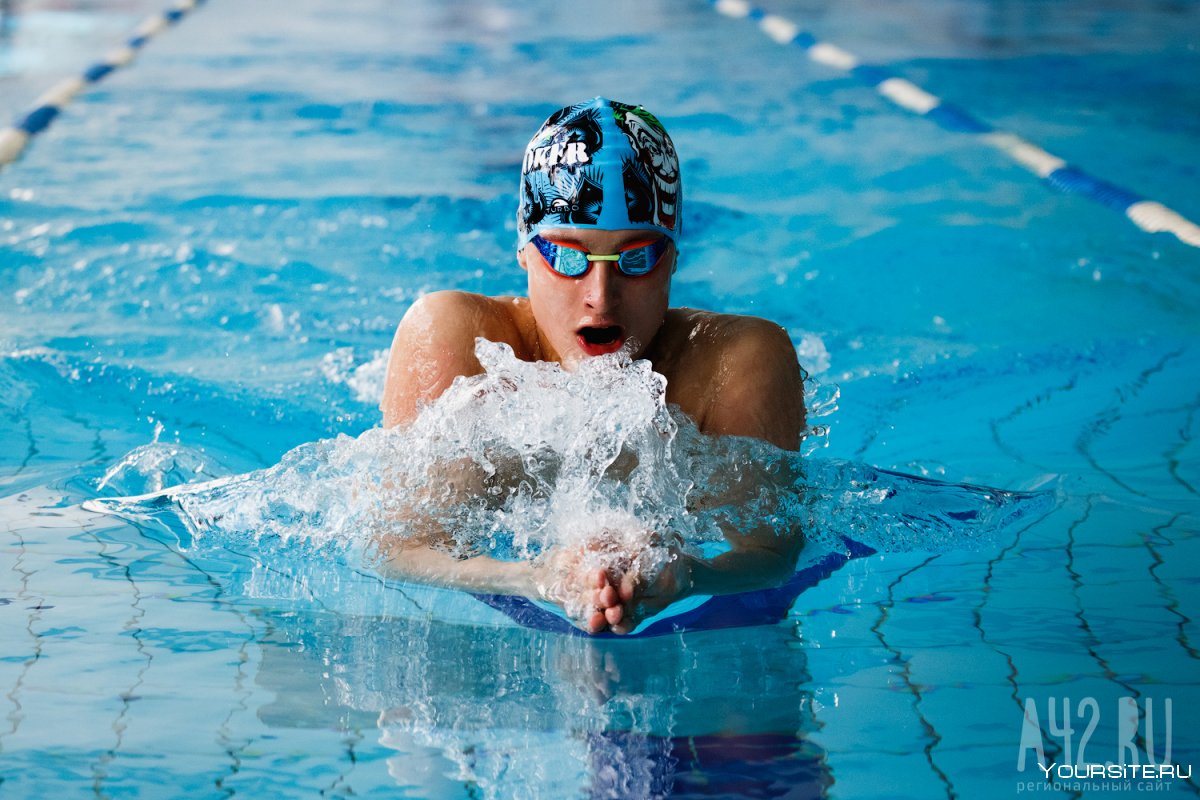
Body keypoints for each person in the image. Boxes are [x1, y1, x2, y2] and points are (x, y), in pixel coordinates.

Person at [378, 97, 807, 634]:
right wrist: (535, 577)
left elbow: (773, 554)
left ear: (673, 258)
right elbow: (392, 547)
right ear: (524, 252)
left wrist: (685, 576)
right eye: (566, 257)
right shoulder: (456, 342)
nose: (600, 299)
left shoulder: (736, 363)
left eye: (637, 257)